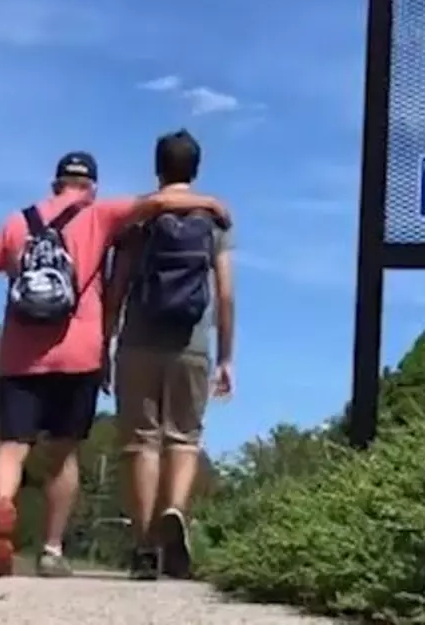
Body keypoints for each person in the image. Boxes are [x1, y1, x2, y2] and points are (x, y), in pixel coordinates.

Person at [0, 150, 231, 578]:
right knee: (64, 454)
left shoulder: (18, 221)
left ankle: (3, 504)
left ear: (55, 184)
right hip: (79, 354)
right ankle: (51, 550)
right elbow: (160, 203)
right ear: (91, 187)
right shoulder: (98, 214)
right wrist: (213, 205)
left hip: (18, 355)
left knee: (11, 446)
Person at [104, 129, 234, 580]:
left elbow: (116, 287)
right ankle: (174, 511)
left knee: (141, 440)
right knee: (184, 437)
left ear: (157, 166)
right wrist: (226, 357)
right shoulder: (212, 222)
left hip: (138, 339)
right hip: (192, 342)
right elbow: (226, 293)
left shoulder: (138, 221)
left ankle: (143, 544)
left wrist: (105, 344)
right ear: (195, 169)